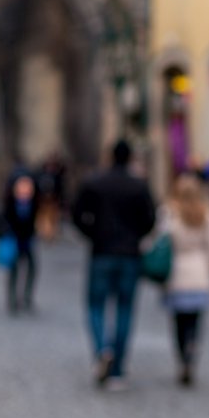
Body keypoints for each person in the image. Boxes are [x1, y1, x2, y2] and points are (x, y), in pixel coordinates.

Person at [72, 140, 157, 388]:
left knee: (96, 305)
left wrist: (93, 234)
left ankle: (102, 349)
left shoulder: (94, 182)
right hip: (129, 255)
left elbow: (77, 215)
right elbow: (150, 219)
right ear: (129, 158)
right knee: (125, 309)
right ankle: (117, 367)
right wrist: (135, 237)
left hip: (102, 252)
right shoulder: (138, 185)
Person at [163, 174, 209, 387]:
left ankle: (183, 357)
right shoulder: (208, 214)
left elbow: (161, 241)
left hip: (177, 274)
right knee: (195, 322)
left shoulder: (169, 214)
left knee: (179, 322)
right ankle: (191, 351)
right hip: (199, 274)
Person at [0, 172, 39, 314]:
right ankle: (12, 299)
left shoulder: (34, 203)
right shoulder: (9, 203)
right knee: (14, 271)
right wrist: (8, 232)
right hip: (14, 241)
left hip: (27, 241)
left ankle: (26, 297)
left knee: (32, 269)